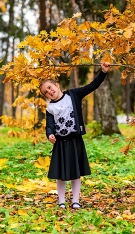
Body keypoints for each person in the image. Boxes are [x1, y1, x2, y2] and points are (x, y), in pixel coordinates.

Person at [40, 62, 111, 209]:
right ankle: (61, 201)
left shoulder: (73, 95)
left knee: (75, 172)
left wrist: (103, 73)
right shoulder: (50, 108)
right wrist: (50, 135)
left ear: (57, 85)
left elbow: (92, 86)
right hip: (60, 142)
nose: (49, 92)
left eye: (49, 87)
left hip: (74, 140)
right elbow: (50, 125)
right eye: (46, 92)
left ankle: (75, 200)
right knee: (60, 174)